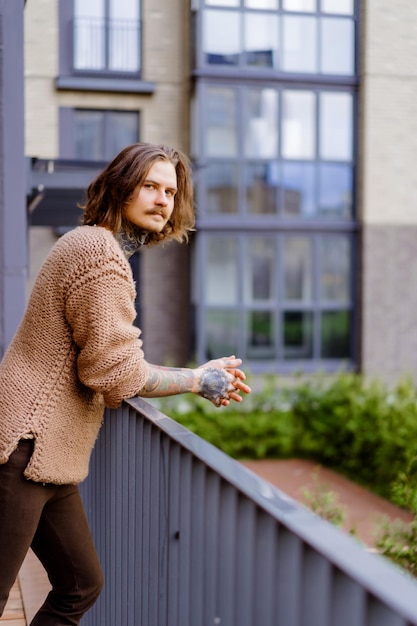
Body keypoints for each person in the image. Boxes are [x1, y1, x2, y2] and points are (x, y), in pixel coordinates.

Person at [0, 142, 251, 625]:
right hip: (24, 448)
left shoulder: (91, 246)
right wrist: (197, 380)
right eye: (150, 186)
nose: (163, 200)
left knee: (81, 583)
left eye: (171, 192)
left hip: (49, 458)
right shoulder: (99, 256)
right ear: (120, 187)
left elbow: (106, 356)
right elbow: (115, 374)